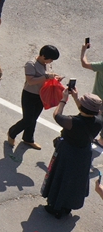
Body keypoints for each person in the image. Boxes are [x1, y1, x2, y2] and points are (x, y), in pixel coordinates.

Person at [41, 88, 103, 218]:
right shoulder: (98, 121)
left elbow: (57, 115)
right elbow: (87, 112)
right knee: (75, 181)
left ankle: (55, 207)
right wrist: (76, 98)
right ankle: (67, 206)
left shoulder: (73, 122)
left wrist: (64, 99)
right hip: (84, 154)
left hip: (67, 153)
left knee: (61, 178)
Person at [8, 45, 62, 150]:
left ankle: (28, 138)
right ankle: (12, 133)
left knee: (34, 119)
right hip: (29, 94)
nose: (51, 61)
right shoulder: (31, 64)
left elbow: (48, 76)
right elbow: (30, 81)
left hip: (41, 95)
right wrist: (46, 77)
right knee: (27, 119)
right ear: (43, 56)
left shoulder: (47, 64)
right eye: (50, 59)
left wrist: (54, 78)